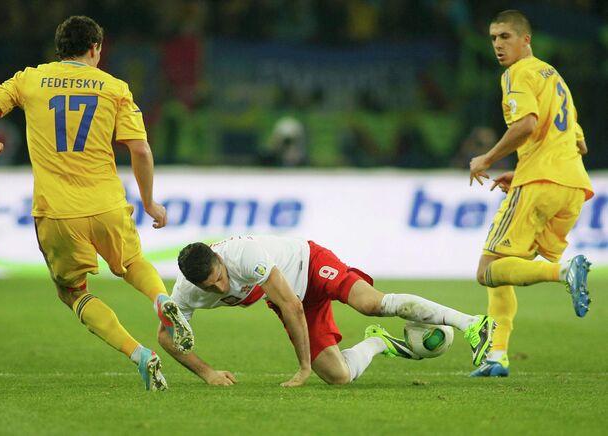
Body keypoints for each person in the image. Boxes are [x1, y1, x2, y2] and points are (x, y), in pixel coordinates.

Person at [0, 16, 194, 390]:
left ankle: (140, 355)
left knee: (73, 293)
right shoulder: (114, 87)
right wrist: (150, 203)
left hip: (56, 212)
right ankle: (161, 299)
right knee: (133, 262)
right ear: (94, 49)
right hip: (105, 204)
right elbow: (140, 149)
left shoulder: (29, 79)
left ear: (60, 48)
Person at [157, 235, 495, 387]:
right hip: (289, 299)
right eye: (209, 287)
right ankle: (380, 343)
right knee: (338, 376)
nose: (219, 289)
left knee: (370, 304)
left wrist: (303, 368)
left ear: (220, 261)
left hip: (310, 264)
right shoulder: (186, 292)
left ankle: (471, 323)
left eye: (220, 278)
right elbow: (166, 337)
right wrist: (208, 372)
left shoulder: (243, 254)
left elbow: (291, 305)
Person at [468, 10, 594, 377]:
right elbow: (579, 143)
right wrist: (522, 167)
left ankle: (564, 272)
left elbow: (527, 124)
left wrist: (488, 158)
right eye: (493, 38)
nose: (497, 45)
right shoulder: (554, 77)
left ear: (526, 39)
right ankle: (497, 355)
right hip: (572, 187)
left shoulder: (516, 74)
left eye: (505, 37)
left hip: (540, 184)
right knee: (503, 263)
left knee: (487, 270)